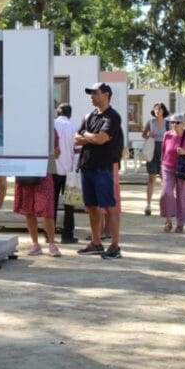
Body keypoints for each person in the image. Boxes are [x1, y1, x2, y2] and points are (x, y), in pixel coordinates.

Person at [75, 82, 123, 260]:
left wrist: (87, 136)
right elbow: (76, 137)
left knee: (110, 208)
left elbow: (101, 139)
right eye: (91, 93)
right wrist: (90, 137)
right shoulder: (89, 116)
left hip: (104, 169)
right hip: (87, 167)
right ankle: (96, 243)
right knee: (92, 208)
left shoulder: (113, 117)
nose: (91, 96)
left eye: (95, 93)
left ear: (106, 95)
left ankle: (115, 247)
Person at [14, 132, 61, 257]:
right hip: (26, 170)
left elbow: (57, 153)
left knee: (47, 210)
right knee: (28, 210)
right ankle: (35, 244)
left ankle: (51, 243)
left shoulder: (50, 128)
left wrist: (49, 153)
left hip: (43, 172)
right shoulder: (21, 129)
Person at [159, 113, 185, 233]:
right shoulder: (167, 135)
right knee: (167, 193)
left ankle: (180, 224)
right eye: (172, 122)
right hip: (168, 168)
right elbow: (163, 151)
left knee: (182, 197)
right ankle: (168, 220)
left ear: (183, 124)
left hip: (183, 169)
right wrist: (160, 168)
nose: (174, 125)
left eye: (177, 122)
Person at [53, 103, 79, 244]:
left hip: (53, 170)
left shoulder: (52, 124)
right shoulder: (74, 127)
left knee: (52, 202)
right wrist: (75, 169)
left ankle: (49, 234)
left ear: (58, 112)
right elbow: (78, 151)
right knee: (69, 204)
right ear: (70, 114)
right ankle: (67, 235)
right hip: (70, 170)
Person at [141, 102, 169, 216]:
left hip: (164, 151)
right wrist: (148, 135)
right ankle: (148, 205)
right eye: (156, 109)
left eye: (160, 109)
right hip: (152, 150)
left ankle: (165, 205)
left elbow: (173, 136)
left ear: (163, 111)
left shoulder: (168, 124)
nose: (158, 111)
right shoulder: (150, 122)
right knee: (151, 178)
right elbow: (143, 134)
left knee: (164, 179)